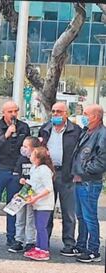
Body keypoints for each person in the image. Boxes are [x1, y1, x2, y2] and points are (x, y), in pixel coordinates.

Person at [0, 101, 30, 246]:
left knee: (14, 204)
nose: (13, 114)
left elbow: (26, 151)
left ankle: (12, 237)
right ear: (4, 112)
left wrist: (21, 172)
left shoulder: (23, 127)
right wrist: (6, 135)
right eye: (10, 111)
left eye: (15, 111)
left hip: (15, 170)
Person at [38, 102, 81, 256]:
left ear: (66, 114)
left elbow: (80, 154)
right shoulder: (45, 129)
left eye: (59, 112)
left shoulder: (75, 131)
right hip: (48, 173)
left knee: (68, 211)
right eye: (54, 112)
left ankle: (69, 243)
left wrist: (76, 172)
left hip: (66, 174)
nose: (55, 114)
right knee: (46, 208)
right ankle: (44, 243)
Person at [71, 104, 106, 263]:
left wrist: (83, 172)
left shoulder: (102, 134)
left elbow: (102, 162)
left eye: (86, 114)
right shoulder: (87, 131)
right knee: (81, 216)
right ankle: (81, 245)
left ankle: (93, 250)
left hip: (89, 183)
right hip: (80, 181)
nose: (83, 116)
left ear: (96, 117)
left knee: (89, 216)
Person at [8, 136, 41, 253]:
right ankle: (18, 240)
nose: (23, 149)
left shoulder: (39, 161)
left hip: (32, 193)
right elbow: (16, 173)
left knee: (30, 218)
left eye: (26, 146)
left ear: (34, 148)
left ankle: (30, 241)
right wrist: (20, 180)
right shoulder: (21, 159)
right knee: (20, 217)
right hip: (21, 192)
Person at [21, 147, 55, 261]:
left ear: (38, 158)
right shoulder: (34, 168)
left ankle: (44, 250)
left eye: (33, 154)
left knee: (41, 227)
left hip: (44, 204)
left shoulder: (44, 169)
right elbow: (34, 184)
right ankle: (39, 247)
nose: (30, 155)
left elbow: (48, 188)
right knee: (38, 226)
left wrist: (36, 197)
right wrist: (26, 182)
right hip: (37, 203)